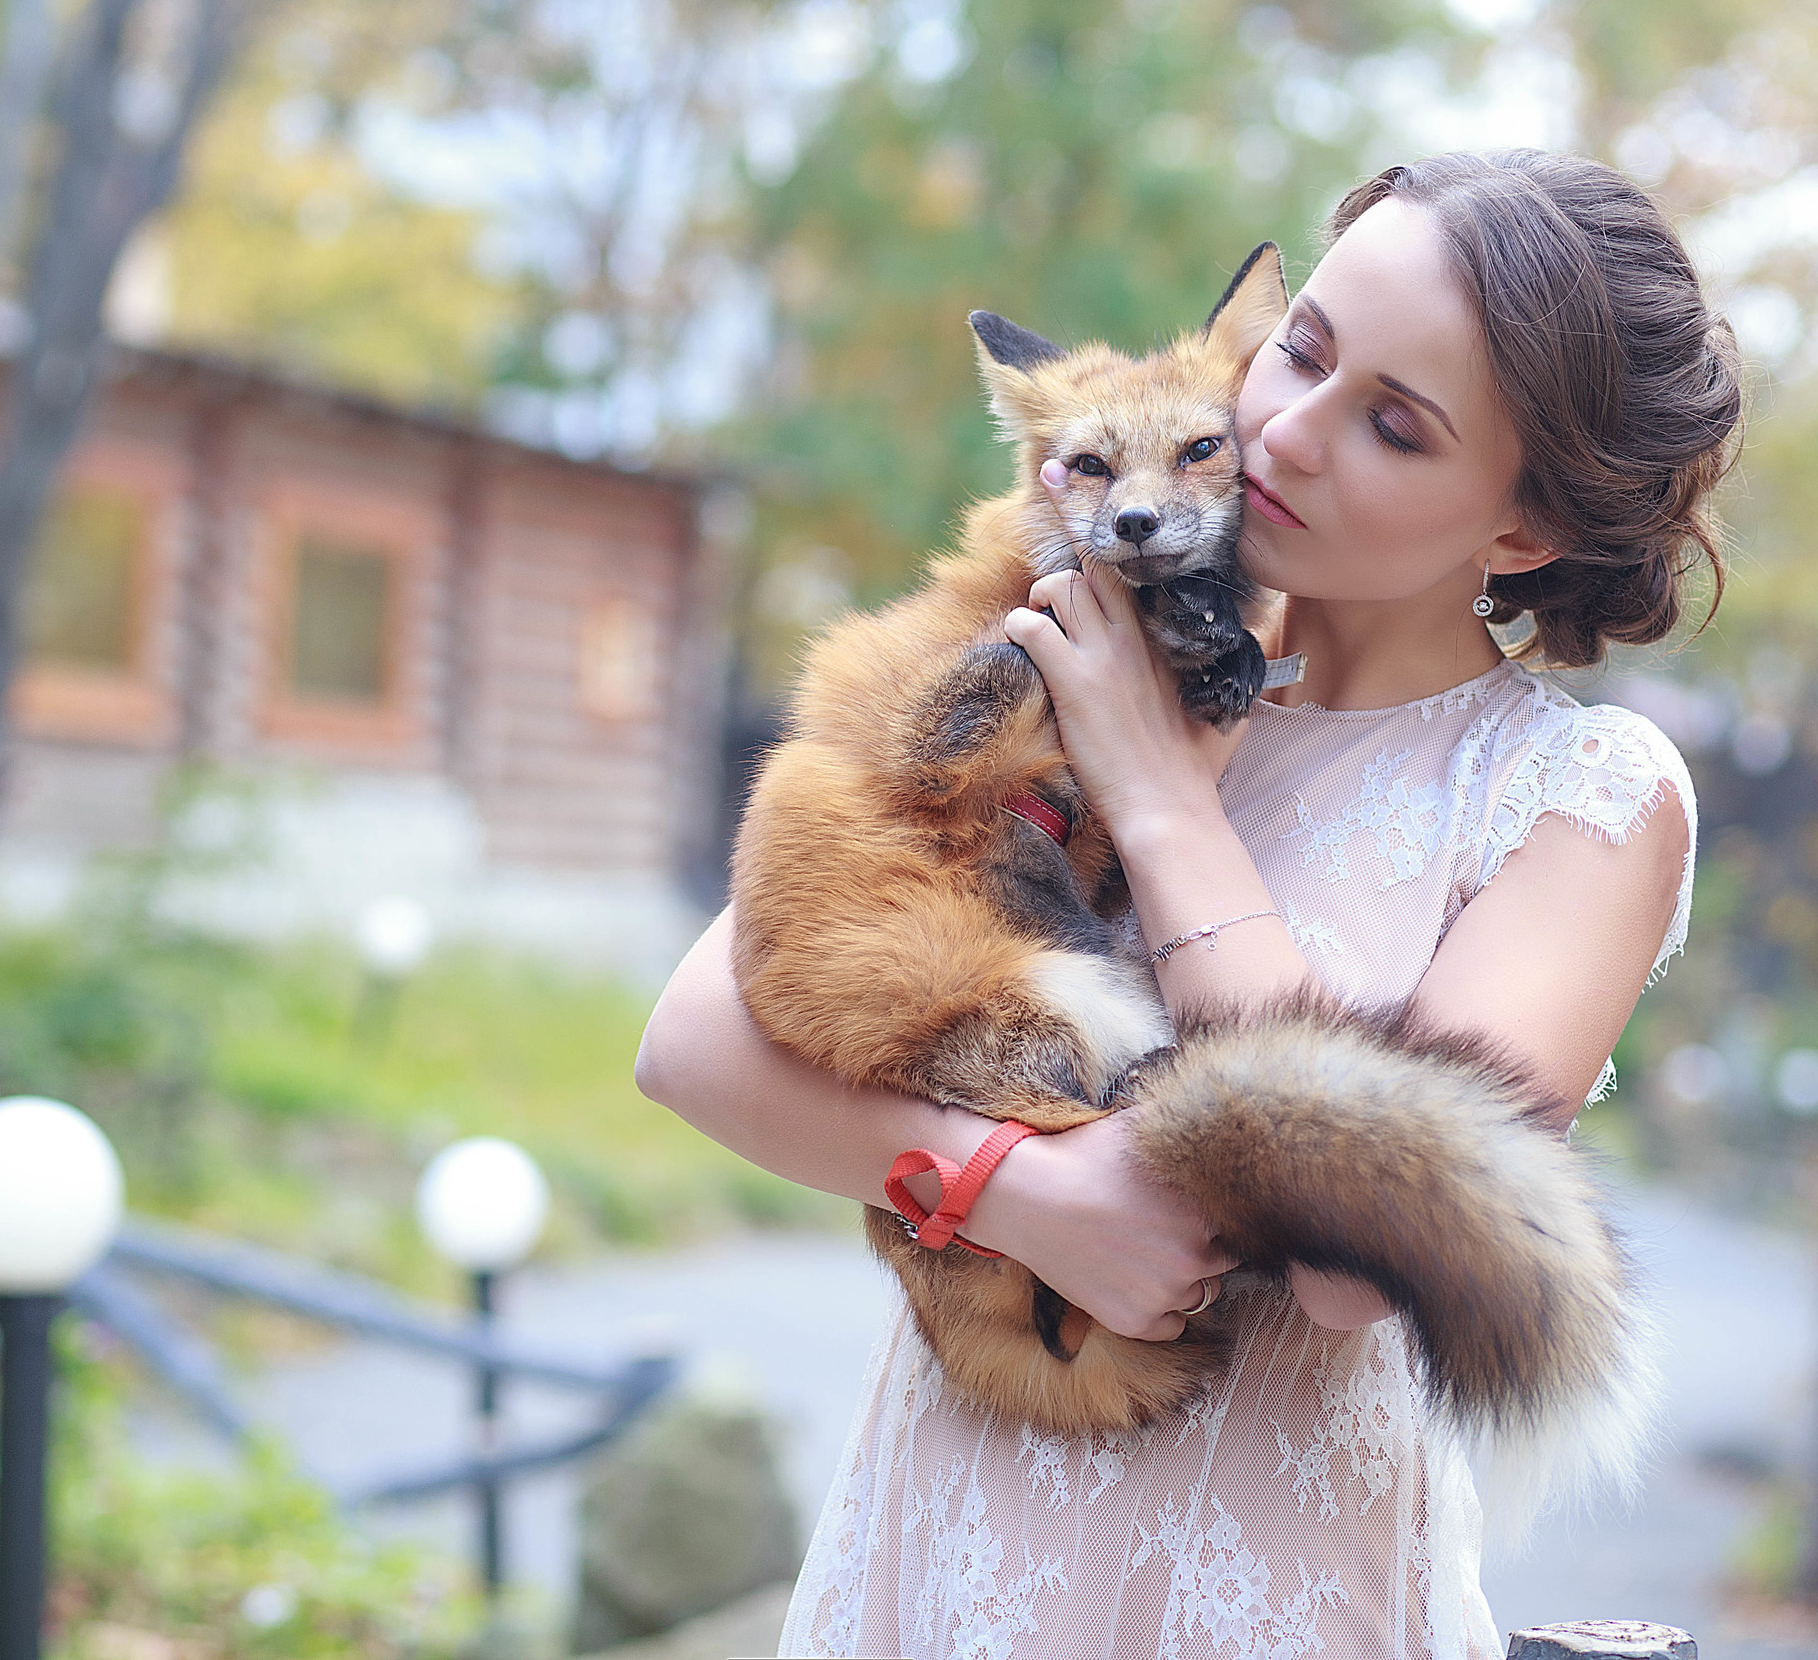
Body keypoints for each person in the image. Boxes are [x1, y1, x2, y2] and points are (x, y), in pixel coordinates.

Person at [633, 149, 1743, 1659]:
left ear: (1520, 533)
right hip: (941, 1550)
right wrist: (1018, 1195)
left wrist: (1159, 803)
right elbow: (697, 1041)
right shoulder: (1076, 631)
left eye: (1394, 426)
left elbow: (1349, 1264)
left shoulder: (1583, 799)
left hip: (1261, 1592)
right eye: (1304, 349)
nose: (1286, 429)